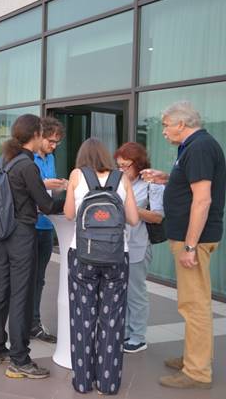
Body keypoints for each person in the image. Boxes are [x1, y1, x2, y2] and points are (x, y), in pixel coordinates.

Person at [141, 101, 225, 390]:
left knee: (194, 305)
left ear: (181, 124)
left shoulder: (200, 147)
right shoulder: (193, 147)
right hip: (192, 238)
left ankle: (197, 372)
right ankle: (194, 356)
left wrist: (190, 246)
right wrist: (166, 179)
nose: (163, 131)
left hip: (195, 241)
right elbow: (191, 187)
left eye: (166, 125)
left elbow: (203, 200)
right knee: (193, 303)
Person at [0, 114, 64, 379]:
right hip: (21, 234)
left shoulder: (9, 161)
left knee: (3, 289)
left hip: (4, 233)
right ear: (36, 135)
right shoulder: (27, 166)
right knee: (21, 295)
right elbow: (47, 205)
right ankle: (20, 359)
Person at [64, 138, 139, 395]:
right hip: (118, 257)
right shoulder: (122, 178)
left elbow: (69, 214)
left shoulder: (76, 175)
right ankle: (108, 383)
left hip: (82, 256)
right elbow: (133, 219)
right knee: (113, 319)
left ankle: (83, 382)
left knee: (82, 318)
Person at [113, 142, 164, 354]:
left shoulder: (152, 184)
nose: (122, 170)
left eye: (126, 166)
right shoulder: (118, 182)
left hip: (138, 245)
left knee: (135, 293)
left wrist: (131, 208)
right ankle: (124, 331)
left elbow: (157, 217)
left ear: (139, 163)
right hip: (117, 245)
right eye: (119, 166)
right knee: (119, 291)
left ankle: (138, 336)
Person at [31, 116, 67, 344]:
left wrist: (58, 187)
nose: (53, 146)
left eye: (56, 143)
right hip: (27, 225)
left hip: (46, 224)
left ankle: (33, 323)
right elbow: (23, 184)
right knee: (24, 278)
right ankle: (23, 323)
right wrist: (46, 184)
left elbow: (48, 190)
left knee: (39, 279)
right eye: (50, 141)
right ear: (39, 136)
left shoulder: (50, 158)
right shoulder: (26, 158)